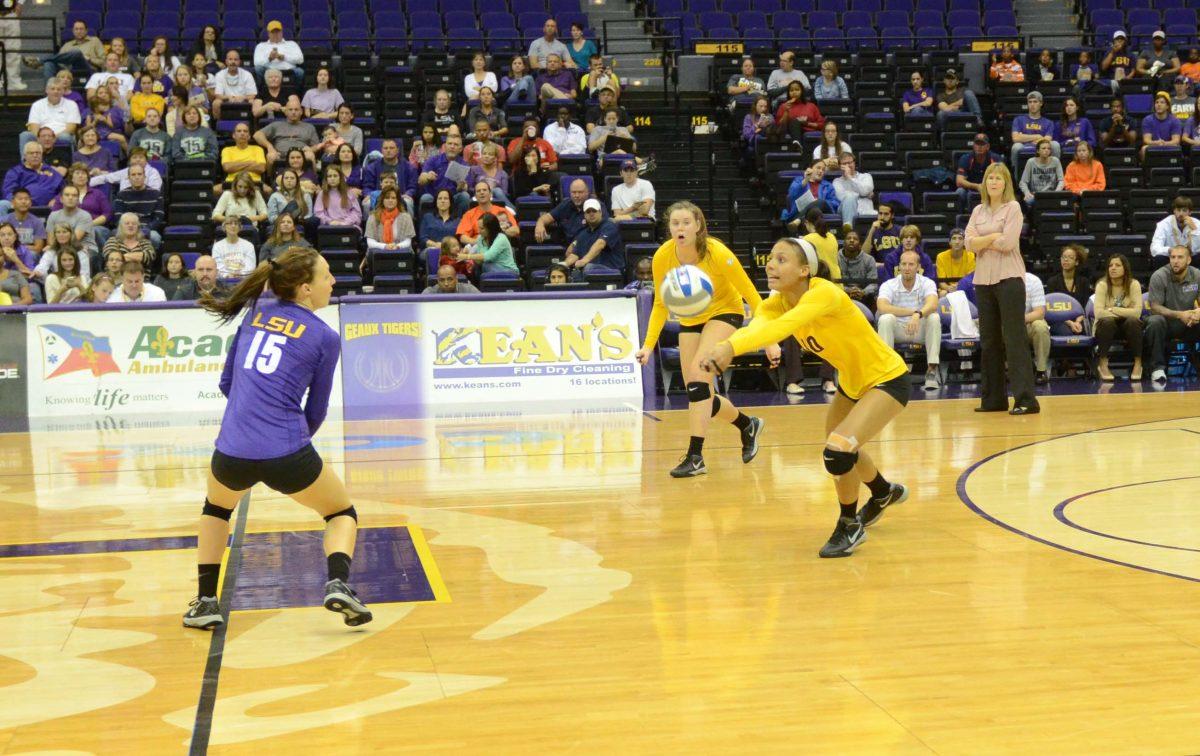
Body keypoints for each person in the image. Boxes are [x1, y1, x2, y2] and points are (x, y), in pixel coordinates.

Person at [183, 247, 371, 630]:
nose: (333, 282)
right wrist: (291, 449)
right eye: (327, 276)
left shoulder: (256, 314)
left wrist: (249, 422)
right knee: (340, 513)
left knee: (216, 510)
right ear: (304, 289)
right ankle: (338, 583)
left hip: (231, 450)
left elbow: (226, 383)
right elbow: (315, 411)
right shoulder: (325, 336)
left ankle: (206, 603)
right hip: (287, 452)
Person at [700, 236, 911, 556]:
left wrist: (729, 348)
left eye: (781, 259)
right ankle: (882, 491)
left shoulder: (823, 293)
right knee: (842, 447)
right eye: (770, 257)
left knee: (838, 451)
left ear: (804, 270)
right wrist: (729, 345)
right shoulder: (775, 302)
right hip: (853, 385)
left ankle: (849, 524)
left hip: (887, 379)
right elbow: (757, 327)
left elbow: (785, 326)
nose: (771, 264)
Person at [635, 201, 775, 477]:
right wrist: (648, 345)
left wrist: (769, 338)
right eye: (675, 223)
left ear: (698, 226)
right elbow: (661, 305)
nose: (680, 228)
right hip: (691, 318)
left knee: (700, 379)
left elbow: (750, 293)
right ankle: (747, 424)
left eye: (686, 222)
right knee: (699, 393)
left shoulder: (717, 252)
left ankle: (695, 456)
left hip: (726, 311)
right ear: (669, 228)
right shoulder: (664, 256)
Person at [965, 163, 1039, 414]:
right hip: (983, 281)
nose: (994, 182)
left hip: (1009, 279)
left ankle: (1026, 400)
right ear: (985, 183)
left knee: (1014, 339)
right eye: (990, 178)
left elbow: (1008, 243)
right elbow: (967, 244)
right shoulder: (977, 210)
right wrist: (990, 237)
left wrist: (981, 241)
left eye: (999, 178)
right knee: (989, 341)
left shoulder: (1014, 208)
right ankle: (993, 400)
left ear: (1006, 183)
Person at [877, 249, 941, 390]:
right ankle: (887, 373)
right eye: (903, 264)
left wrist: (918, 315)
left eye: (911, 264)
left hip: (920, 330)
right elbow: (882, 307)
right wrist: (913, 312)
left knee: (934, 317)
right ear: (899, 266)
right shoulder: (888, 285)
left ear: (918, 267)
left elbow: (933, 304)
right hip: (899, 330)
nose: (906, 268)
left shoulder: (927, 283)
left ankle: (931, 370)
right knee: (886, 318)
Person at [1145, 244, 1200, 383]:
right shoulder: (1159, 276)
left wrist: (1197, 314)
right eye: (1172, 257)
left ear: (1188, 260)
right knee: (1155, 321)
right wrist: (1180, 315)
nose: (1175, 261)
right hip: (1166, 325)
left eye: (1180, 257)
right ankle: (1157, 369)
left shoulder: (1197, 275)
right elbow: (1155, 307)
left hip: (1189, 324)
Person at [1092, 253, 1144, 381]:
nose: (1113, 268)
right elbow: (1098, 313)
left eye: (1117, 265)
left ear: (1125, 268)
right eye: (1110, 265)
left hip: (1128, 326)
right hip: (1106, 327)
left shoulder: (1134, 284)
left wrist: (1111, 309)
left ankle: (1138, 363)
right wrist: (1126, 311)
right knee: (1107, 321)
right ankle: (1103, 364)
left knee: (1133, 321)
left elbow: (1137, 313)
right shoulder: (1102, 285)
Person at [28, 19, 105, 82]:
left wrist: (89, 59)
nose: (78, 31)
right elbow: (58, 60)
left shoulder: (95, 41)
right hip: (69, 70)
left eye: (81, 29)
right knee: (49, 63)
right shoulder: (67, 45)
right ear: (73, 31)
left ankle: (40, 61)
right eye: (76, 29)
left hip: (86, 68)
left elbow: (104, 62)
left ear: (86, 31)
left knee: (77, 52)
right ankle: (48, 94)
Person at [563, 198, 624, 274]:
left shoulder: (610, 225)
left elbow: (600, 244)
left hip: (613, 270)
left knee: (589, 268)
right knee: (572, 273)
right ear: (584, 215)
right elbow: (575, 254)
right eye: (588, 212)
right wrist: (562, 266)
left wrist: (584, 260)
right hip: (591, 269)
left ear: (600, 212)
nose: (591, 214)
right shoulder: (583, 234)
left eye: (594, 211)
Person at [255, 100, 319, 169]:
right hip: (280, 155)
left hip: (301, 155)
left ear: (301, 112)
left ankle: (314, 178)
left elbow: (316, 145)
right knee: (271, 156)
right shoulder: (276, 125)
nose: (293, 112)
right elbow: (257, 135)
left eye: (296, 110)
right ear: (285, 112)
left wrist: (310, 149)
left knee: (310, 155)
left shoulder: (309, 127)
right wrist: (269, 146)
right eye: (290, 110)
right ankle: (269, 178)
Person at [781, 160, 838, 233]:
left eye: (823, 170)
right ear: (810, 169)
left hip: (823, 211)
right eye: (818, 168)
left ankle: (799, 220)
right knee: (814, 210)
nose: (821, 171)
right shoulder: (799, 180)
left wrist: (818, 202)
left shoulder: (828, 185)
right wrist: (805, 180)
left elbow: (835, 203)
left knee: (820, 201)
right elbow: (791, 195)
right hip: (804, 212)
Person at [457, 212, 518, 277]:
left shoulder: (501, 238)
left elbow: (488, 257)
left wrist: (467, 256)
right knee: (475, 267)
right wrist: (467, 258)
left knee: (486, 265)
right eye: (478, 228)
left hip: (509, 271)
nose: (479, 231)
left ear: (490, 228)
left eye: (482, 228)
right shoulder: (480, 238)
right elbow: (480, 262)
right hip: (489, 269)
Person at [535, 178, 596, 242]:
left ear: (587, 193)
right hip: (567, 245)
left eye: (580, 192)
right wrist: (540, 224)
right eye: (574, 192)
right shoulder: (566, 204)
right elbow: (547, 217)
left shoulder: (595, 206)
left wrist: (575, 244)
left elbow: (603, 231)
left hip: (587, 245)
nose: (577, 195)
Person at [1010, 91, 1059, 166]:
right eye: (1030, 102)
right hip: (1023, 146)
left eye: (1035, 102)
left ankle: (1056, 173)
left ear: (1041, 103)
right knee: (1016, 146)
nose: (1032, 104)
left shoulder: (1048, 122)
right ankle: (1016, 176)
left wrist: (1023, 137)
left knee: (1055, 145)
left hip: (1041, 147)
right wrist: (1037, 136)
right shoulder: (1018, 119)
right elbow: (1016, 138)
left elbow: (1047, 139)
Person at [956, 133, 1002, 210]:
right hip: (970, 188)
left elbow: (1002, 180)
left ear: (988, 146)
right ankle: (962, 216)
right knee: (960, 192)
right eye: (977, 144)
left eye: (982, 144)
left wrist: (987, 187)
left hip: (990, 188)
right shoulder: (966, 158)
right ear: (973, 146)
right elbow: (959, 181)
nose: (979, 147)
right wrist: (977, 186)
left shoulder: (995, 159)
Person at [253, 19, 304, 89]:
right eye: (273, 32)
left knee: (300, 72)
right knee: (258, 69)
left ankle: (298, 94)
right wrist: (269, 58)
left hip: (289, 70)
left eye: (278, 32)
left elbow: (300, 60)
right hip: (269, 70)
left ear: (282, 32)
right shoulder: (261, 45)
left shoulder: (292, 44)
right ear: (268, 33)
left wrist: (284, 57)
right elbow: (256, 63)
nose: (275, 34)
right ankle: (260, 93)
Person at [1021, 271, 1051, 385]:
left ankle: (1041, 370)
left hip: (1027, 322)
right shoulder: (996, 280)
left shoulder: (1033, 281)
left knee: (1040, 326)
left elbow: (1039, 313)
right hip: (1004, 323)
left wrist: (1017, 320)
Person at [1150, 195, 1200, 265]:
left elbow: (1197, 250)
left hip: (1190, 259)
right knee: (1159, 258)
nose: (1181, 214)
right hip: (1171, 259)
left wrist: (1195, 230)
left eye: (1184, 210)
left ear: (1190, 212)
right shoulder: (1164, 224)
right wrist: (1170, 250)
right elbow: (1154, 248)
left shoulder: (1197, 224)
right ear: (1174, 211)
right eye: (1178, 210)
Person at [45, 184, 96, 251]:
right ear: (61, 199)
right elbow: (50, 241)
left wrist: (54, 248)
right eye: (67, 195)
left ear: (78, 200)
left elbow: (74, 240)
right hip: (60, 248)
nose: (70, 198)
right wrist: (53, 248)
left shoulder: (85, 216)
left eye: (74, 195)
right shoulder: (53, 215)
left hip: (84, 248)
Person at [365, 188, 416, 253]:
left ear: (397, 200)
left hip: (400, 252)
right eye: (387, 198)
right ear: (382, 200)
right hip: (378, 254)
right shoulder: (373, 217)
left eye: (393, 198)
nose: (390, 200)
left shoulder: (406, 217)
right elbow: (370, 242)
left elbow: (408, 241)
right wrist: (385, 246)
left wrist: (397, 246)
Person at [210, 49, 257, 120]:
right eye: (230, 59)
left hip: (243, 100)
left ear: (239, 62)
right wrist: (229, 97)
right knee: (216, 103)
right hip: (225, 100)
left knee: (254, 102)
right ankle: (218, 125)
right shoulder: (219, 75)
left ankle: (253, 127)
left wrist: (242, 98)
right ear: (226, 61)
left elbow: (252, 95)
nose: (233, 62)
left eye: (235, 60)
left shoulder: (247, 74)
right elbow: (218, 95)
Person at [831, 153, 873, 231]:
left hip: (866, 211)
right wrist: (863, 195)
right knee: (849, 197)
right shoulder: (837, 181)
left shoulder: (866, 176)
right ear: (840, 166)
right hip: (845, 211)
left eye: (850, 162)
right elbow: (842, 198)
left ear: (854, 163)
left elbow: (864, 191)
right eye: (844, 164)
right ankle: (849, 228)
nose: (848, 166)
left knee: (850, 195)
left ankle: (849, 228)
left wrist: (850, 177)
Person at [1018, 137, 1065, 203]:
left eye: (1048, 148)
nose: (1046, 150)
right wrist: (1027, 193)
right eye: (1043, 148)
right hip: (1036, 195)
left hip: (1052, 194)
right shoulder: (1031, 162)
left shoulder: (1055, 161)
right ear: (1038, 151)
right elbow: (1023, 182)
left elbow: (1061, 180)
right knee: (1028, 200)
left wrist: (1056, 193)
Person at [838, 230, 877, 308]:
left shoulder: (869, 260)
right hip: (842, 297)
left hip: (864, 298)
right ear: (844, 242)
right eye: (848, 238)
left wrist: (863, 292)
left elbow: (873, 283)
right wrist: (848, 290)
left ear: (860, 244)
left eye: (855, 239)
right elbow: (834, 283)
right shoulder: (836, 259)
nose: (851, 240)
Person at [801, 206, 841, 282]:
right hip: (837, 284)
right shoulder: (832, 236)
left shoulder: (806, 239)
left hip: (820, 285)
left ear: (806, 222)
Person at [220, 122, 268, 186]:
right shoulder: (227, 150)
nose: (242, 133)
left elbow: (261, 168)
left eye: (245, 131)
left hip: (254, 182)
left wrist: (236, 165)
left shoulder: (258, 149)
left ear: (249, 136)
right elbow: (227, 168)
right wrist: (250, 163)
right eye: (239, 131)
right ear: (233, 135)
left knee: (269, 190)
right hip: (232, 182)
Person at [465, 143, 511, 207]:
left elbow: (504, 194)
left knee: (497, 190)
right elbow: (469, 188)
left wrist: (492, 192)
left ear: (495, 158)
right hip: (478, 200)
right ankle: (513, 211)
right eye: (484, 153)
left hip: (496, 202)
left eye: (490, 154)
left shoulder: (502, 174)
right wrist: (483, 190)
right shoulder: (473, 170)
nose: (486, 156)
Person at [1, 187, 45, 252]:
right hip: (7, 252)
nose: (23, 201)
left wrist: (18, 249)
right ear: (13, 203)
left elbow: (38, 248)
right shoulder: (3, 221)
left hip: (29, 254)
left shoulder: (37, 222)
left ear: (30, 203)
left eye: (26, 199)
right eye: (20, 199)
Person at [1141, 92, 1183, 159]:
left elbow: (1176, 140)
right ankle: (1146, 169)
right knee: (1144, 149)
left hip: (1169, 145)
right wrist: (1157, 143)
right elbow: (1146, 140)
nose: (1159, 105)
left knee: (1176, 147)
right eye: (1157, 102)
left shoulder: (1175, 120)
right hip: (1154, 145)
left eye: (1162, 102)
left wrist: (1164, 143)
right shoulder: (1147, 120)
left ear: (1167, 106)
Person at [936, 229, 975, 296]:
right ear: (950, 242)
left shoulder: (971, 255)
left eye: (960, 238)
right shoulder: (941, 257)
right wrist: (949, 288)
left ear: (964, 242)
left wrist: (958, 287)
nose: (957, 242)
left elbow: (970, 279)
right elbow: (941, 282)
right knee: (942, 293)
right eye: (954, 238)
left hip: (965, 287)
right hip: (947, 289)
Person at [0, 0, 26, 91]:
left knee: (13, 50)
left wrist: (20, 3)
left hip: (11, 14)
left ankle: (13, 81)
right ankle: (1, 81)